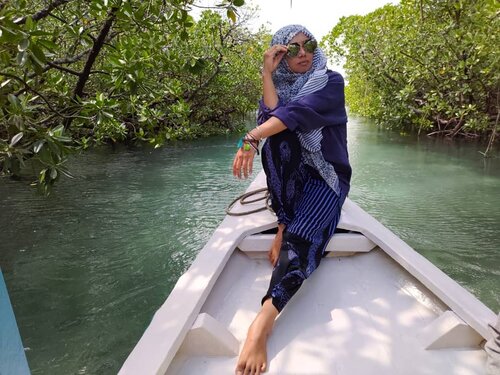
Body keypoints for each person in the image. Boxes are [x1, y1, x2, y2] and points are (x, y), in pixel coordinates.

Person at [232, 24, 351, 375]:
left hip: (327, 175)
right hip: (293, 181)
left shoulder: (330, 81)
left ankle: (264, 321)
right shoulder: (282, 83)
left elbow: (293, 116)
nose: (303, 54)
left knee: (302, 240)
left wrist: (250, 137)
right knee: (278, 139)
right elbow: (273, 118)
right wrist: (267, 73)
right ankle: (284, 219)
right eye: (291, 50)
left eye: (308, 45)